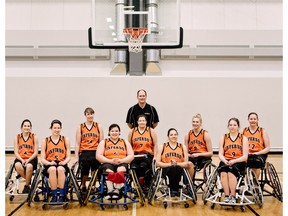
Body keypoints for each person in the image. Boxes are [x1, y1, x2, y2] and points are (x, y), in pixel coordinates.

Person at [96, 124, 134, 199]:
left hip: (121, 162)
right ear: (109, 132)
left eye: (116, 131)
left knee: (121, 169)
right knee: (109, 171)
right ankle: (110, 190)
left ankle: (117, 189)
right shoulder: (104, 142)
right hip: (108, 162)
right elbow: (98, 156)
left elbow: (131, 155)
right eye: (112, 131)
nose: (114, 133)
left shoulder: (124, 142)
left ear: (119, 132)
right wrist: (110, 161)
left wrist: (121, 160)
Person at [218, 117, 248, 204]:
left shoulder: (243, 138)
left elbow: (245, 156)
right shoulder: (224, 137)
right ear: (228, 126)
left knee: (231, 172)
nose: (232, 127)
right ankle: (227, 196)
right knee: (223, 172)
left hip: (239, 161)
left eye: (234, 125)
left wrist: (234, 161)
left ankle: (233, 195)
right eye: (230, 125)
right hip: (226, 160)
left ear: (238, 127)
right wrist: (224, 160)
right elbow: (220, 154)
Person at [74, 107, 104, 193]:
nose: (90, 116)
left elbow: (101, 142)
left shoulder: (98, 126)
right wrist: (76, 156)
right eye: (88, 114)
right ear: (85, 115)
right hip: (84, 151)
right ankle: (83, 185)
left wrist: (102, 154)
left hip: (95, 151)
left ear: (93, 115)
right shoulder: (80, 127)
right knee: (85, 167)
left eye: (91, 114)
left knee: (95, 168)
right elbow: (77, 143)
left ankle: (93, 185)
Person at [41, 120, 71, 202]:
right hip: (50, 164)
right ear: (51, 128)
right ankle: (54, 195)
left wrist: (64, 162)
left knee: (60, 169)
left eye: (58, 128)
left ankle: (61, 195)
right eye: (55, 128)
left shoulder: (65, 139)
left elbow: (68, 156)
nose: (56, 130)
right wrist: (49, 163)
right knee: (53, 169)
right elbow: (42, 159)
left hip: (62, 163)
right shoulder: (45, 140)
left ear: (61, 128)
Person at [156, 128, 192, 196]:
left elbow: (186, 163)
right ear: (168, 136)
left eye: (175, 134)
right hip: (166, 169)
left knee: (176, 168)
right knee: (172, 168)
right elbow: (157, 163)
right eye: (171, 135)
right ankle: (173, 189)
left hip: (179, 168)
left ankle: (175, 189)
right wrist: (169, 164)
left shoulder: (182, 147)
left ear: (177, 136)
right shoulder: (162, 146)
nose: (173, 136)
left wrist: (177, 163)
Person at [128, 114, 158, 191]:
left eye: (143, 120)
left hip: (147, 155)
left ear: (146, 122)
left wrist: (155, 156)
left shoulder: (151, 131)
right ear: (137, 122)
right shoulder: (132, 131)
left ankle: (145, 185)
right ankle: (137, 186)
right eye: (140, 120)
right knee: (134, 167)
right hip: (136, 155)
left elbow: (156, 144)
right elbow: (128, 145)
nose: (142, 122)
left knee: (143, 166)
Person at [184, 114, 213, 179]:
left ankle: (189, 184)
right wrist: (188, 154)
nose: (195, 123)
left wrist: (199, 154)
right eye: (193, 122)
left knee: (191, 163)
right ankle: (186, 183)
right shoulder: (188, 134)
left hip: (202, 157)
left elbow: (211, 153)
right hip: (192, 156)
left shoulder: (205, 134)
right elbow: (185, 151)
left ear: (200, 123)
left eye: (197, 122)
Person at [13, 119, 39, 194]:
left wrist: (28, 160)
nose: (26, 127)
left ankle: (27, 186)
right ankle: (29, 180)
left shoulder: (34, 136)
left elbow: (36, 152)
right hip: (20, 158)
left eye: (28, 126)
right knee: (17, 165)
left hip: (31, 158)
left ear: (30, 127)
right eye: (25, 126)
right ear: (21, 127)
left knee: (29, 166)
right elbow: (16, 152)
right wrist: (22, 160)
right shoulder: (17, 137)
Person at [243, 112, 270, 179]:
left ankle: (255, 182)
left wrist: (257, 153)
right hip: (247, 153)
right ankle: (248, 183)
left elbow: (267, 148)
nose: (253, 120)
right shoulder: (244, 131)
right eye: (251, 119)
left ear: (257, 120)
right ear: (248, 120)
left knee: (256, 162)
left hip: (259, 153)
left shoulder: (262, 131)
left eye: (254, 119)